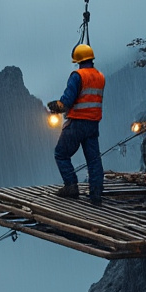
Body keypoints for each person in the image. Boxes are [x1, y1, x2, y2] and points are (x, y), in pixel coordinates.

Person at [49, 43, 106, 206]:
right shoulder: (100, 76)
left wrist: (56, 106)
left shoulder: (77, 76)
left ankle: (71, 186)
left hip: (76, 123)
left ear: (78, 60)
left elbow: (67, 101)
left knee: (61, 154)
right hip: (93, 124)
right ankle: (96, 194)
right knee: (94, 160)